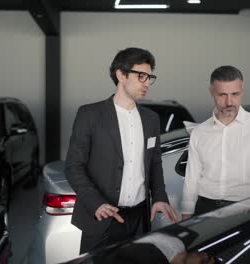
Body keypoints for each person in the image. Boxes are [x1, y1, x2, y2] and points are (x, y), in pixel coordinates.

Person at [65, 47, 178, 254]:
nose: (146, 83)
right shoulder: (90, 114)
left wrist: (160, 197)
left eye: (150, 77)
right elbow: (74, 166)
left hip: (139, 219)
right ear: (121, 75)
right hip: (102, 217)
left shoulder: (151, 119)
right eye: (141, 76)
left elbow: (154, 164)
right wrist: (96, 204)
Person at [181, 65, 250, 220]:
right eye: (222, 95)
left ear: (242, 91)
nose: (229, 102)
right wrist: (186, 218)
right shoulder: (199, 132)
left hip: (248, 210)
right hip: (205, 210)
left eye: (235, 94)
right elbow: (191, 180)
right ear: (212, 93)